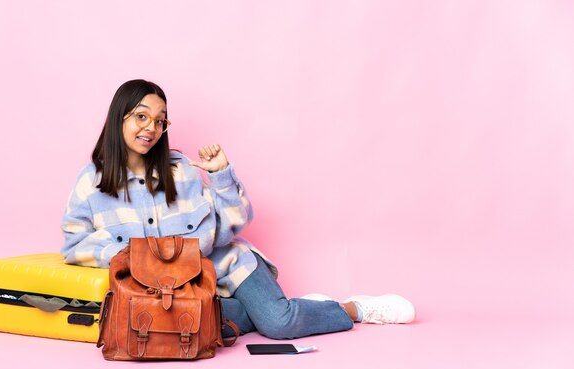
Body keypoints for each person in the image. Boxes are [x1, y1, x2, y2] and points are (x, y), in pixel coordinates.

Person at [61, 79, 415, 340]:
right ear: (119, 117)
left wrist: (220, 176)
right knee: (174, 325)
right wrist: (134, 258)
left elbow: (230, 225)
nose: (151, 128)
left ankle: (355, 308)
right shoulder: (90, 182)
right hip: (180, 290)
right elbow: (75, 245)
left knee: (278, 325)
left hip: (227, 265)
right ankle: (296, 307)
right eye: (141, 116)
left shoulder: (180, 170)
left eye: (159, 120)